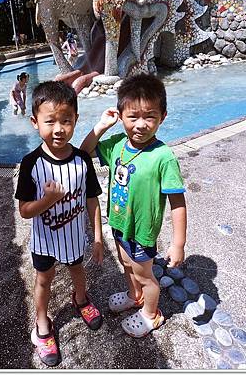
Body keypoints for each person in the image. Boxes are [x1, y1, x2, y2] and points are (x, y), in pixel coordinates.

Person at [80, 74, 188, 339]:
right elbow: (84, 152)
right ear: (121, 116)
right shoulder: (117, 144)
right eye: (133, 117)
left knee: (145, 275)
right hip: (119, 224)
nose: (141, 125)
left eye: (150, 117)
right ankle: (134, 295)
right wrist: (102, 126)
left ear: (162, 117)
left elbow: (177, 202)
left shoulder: (163, 157)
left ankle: (151, 314)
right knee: (125, 263)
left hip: (142, 231)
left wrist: (178, 243)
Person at [15, 81, 104, 367]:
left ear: (76, 119)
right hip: (45, 240)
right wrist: (48, 200)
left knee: (78, 270)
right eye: (50, 121)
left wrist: (98, 237)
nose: (58, 129)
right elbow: (24, 211)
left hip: (74, 237)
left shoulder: (82, 160)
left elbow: (92, 199)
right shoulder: (31, 163)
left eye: (66, 120)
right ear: (35, 122)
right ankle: (42, 322)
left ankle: (81, 299)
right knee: (44, 278)